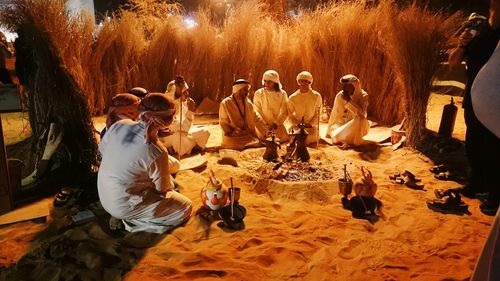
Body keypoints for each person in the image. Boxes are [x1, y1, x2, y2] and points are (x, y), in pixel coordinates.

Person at [98, 93, 192, 233]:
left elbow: (103, 152)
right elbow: (162, 189)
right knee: (185, 207)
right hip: (123, 204)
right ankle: (132, 223)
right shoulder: (156, 150)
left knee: (163, 167)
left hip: (104, 195)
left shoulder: (120, 124)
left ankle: (124, 215)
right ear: (165, 121)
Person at [448, 7, 500, 201]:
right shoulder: (478, 29)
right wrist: (461, 45)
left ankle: (493, 192)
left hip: (496, 99)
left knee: (492, 146)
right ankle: (477, 183)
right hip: (473, 96)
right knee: (473, 142)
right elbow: (453, 62)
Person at [160, 76, 210, 156]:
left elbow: (185, 128)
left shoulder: (184, 104)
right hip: (169, 137)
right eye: (184, 92)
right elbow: (184, 128)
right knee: (179, 139)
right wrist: (190, 111)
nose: (187, 94)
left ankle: (179, 149)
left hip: (182, 132)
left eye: (187, 91)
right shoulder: (167, 107)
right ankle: (187, 148)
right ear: (175, 94)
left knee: (205, 132)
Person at [219, 79, 266, 150]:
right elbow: (223, 122)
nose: (247, 92)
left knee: (256, 139)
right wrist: (233, 132)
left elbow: (256, 117)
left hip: (247, 134)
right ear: (238, 90)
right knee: (233, 144)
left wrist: (265, 131)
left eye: (247, 90)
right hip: (234, 135)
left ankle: (248, 144)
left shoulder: (247, 102)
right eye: (245, 90)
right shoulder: (226, 103)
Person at [326, 74, 370, 149]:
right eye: (343, 86)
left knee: (359, 119)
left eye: (347, 86)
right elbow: (335, 113)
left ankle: (351, 142)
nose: (344, 89)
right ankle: (345, 141)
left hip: (356, 126)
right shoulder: (340, 95)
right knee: (334, 133)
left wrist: (348, 101)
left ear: (355, 86)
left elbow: (362, 115)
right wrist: (328, 131)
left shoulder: (363, 96)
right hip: (340, 126)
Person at [253, 70, 289, 142]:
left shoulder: (282, 94)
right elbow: (257, 110)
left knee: (280, 138)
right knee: (261, 137)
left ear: (275, 82)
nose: (266, 83)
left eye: (269, 81)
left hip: (277, 125)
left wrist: (275, 123)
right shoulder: (259, 93)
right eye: (265, 81)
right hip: (262, 125)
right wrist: (265, 123)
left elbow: (284, 111)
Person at [287, 71, 322, 145]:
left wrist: (311, 124)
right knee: (293, 135)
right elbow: (289, 115)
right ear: (298, 82)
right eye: (300, 81)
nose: (302, 83)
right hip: (297, 127)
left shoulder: (316, 96)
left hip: (310, 128)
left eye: (305, 81)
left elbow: (318, 113)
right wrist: (297, 123)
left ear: (309, 82)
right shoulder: (293, 97)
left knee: (311, 137)